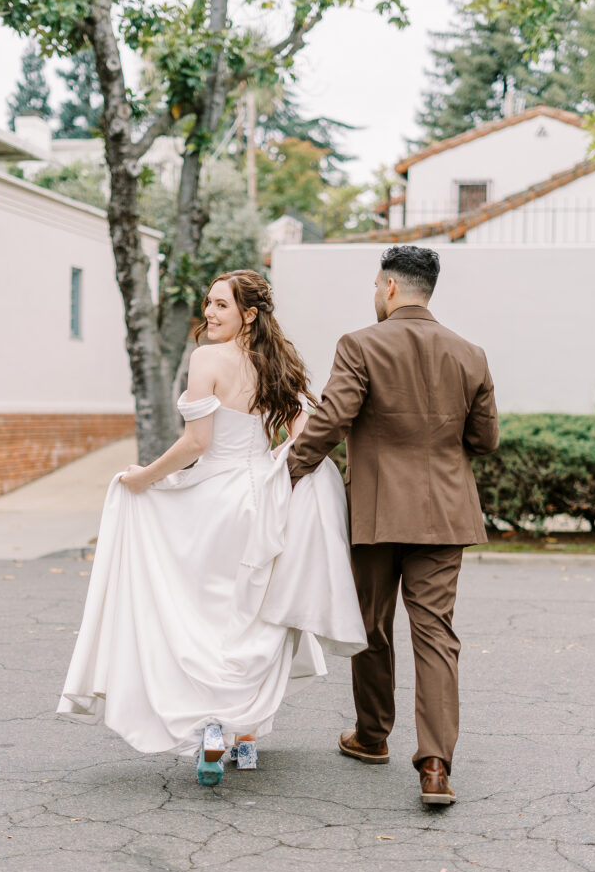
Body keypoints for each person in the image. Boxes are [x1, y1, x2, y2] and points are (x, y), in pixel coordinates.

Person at [57, 269, 366, 787]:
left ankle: (216, 728)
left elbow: (197, 443)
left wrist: (146, 477)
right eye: (208, 303)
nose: (210, 313)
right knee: (250, 613)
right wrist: (276, 474)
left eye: (222, 305)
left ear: (248, 313)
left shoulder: (206, 360)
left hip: (217, 500)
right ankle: (243, 734)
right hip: (263, 498)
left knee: (204, 614)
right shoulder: (278, 362)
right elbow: (303, 437)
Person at [287, 245, 499, 806]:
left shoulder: (360, 344)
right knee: (435, 636)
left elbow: (332, 419)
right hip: (446, 514)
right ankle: (434, 765)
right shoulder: (470, 353)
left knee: (372, 626)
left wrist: (287, 472)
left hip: (377, 512)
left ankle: (373, 736)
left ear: (387, 288)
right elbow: (486, 440)